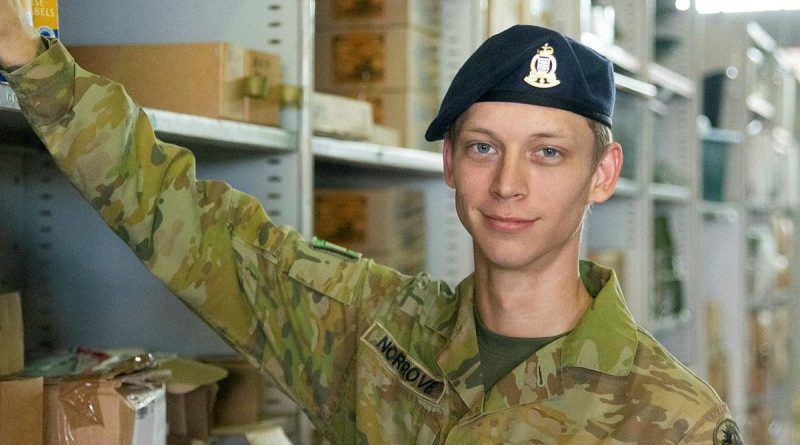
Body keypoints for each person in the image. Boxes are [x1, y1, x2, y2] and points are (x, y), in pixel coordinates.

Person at [0, 2, 742, 444]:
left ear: (601, 176)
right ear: (451, 163)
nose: (508, 184)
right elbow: (183, 217)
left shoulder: (675, 418)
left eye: (548, 153)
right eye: (484, 147)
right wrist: (30, 61)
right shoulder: (371, 334)